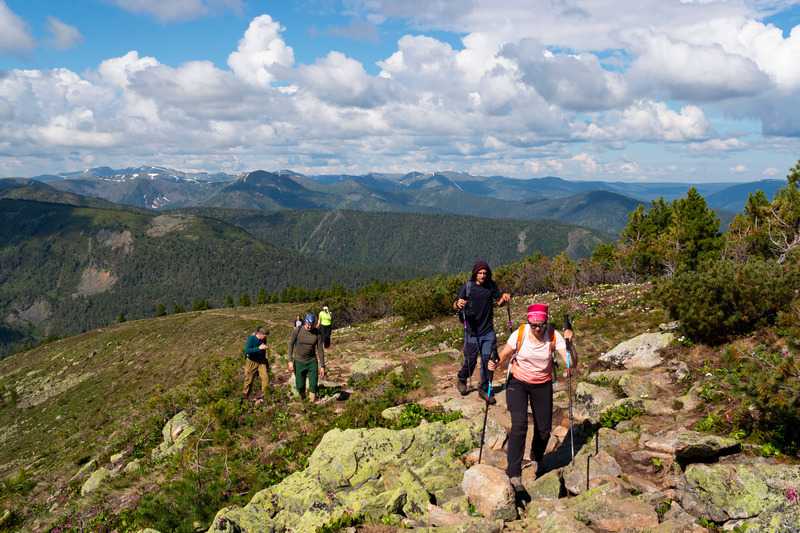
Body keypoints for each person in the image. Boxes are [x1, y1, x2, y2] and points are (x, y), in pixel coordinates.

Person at [488, 303, 576, 488]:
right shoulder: (520, 333)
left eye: (540, 325)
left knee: (544, 430)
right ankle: (514, 472)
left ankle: (536, 457)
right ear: (529, 321)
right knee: (519, 425)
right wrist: (494, 364)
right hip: (517, 382)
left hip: (542, 384)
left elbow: (571, 362)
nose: (536, 328)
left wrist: (569, 344)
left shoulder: (553, 335)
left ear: (546, 322)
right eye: (533, 324)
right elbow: (504, 354)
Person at [453, 260, 511, 404]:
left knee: (488, 360)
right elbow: (456, 304)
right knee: (470, 360)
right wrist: (457, 304)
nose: (483, 275)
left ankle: (484, 388)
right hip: (471, 331)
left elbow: (499, 302)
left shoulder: (491, 285)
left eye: (485, 273)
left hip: (487, 331)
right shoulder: (467, 287)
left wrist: (504, 298)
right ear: (475, 273)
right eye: (480, 273)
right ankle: (462, 378)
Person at [288, 313, 326, 402]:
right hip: (299, 361)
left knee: (313, 384)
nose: (309, 327)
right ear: (305, 322)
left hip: (311, 361)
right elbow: (290, 344)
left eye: (311, 325)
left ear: (314, 324)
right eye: (308, 324)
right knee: (300, 385)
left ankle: (311, 403)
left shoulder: (317, 333)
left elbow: (320, 349)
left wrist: (322, 366)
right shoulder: (297, 330)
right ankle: (303, 400)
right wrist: (290, 361)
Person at [242, 326, 270, 400]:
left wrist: (265, 361)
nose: (265, 338)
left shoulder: (264, 339)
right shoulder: (251, 338)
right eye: (264, 336)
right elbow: (247, 350)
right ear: (260, 334)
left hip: (261, 360)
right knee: (248, 379)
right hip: (252, 361)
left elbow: (263, 350)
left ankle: (265, 394)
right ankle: (245, 395)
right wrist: (258, 348)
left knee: (265, 377)